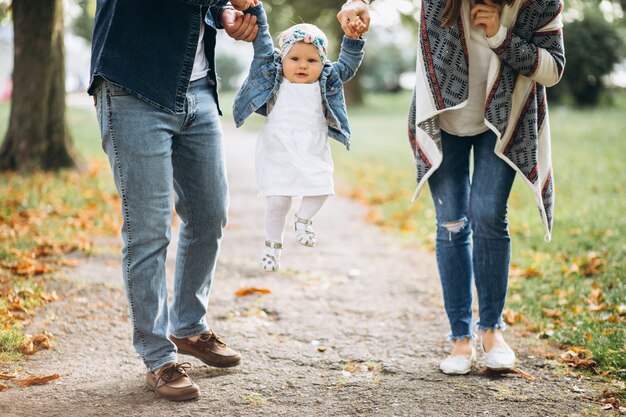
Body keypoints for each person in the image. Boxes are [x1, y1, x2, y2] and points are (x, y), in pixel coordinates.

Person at [344, 0, 565, 375]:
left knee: (488, 215)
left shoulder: (539, 3)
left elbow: (554, 70)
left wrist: (499, 35)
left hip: (503, 119)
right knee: (450, 223)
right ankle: (460, 338)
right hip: (444, 120)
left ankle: (492, 332)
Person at [88, 0, 260, 401]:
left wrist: (222, 14)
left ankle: (188, 327)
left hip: (196, 89)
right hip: (133, 85)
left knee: (209, 214)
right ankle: (157, 356)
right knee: (148, 229)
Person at [232, 1, 367, 272]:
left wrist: (353, 39)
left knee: (322, 188)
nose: (303, 65)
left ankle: (303, 221)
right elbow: (262, 39)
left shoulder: (327, 79)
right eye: (295, 58)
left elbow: (348, 65)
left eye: (312, 60)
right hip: (277, 149)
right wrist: (255, 8)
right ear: (282, 59)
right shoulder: (274, 75)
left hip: (312, 148)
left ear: (323, 62)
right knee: (278, 200)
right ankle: (272, 246)